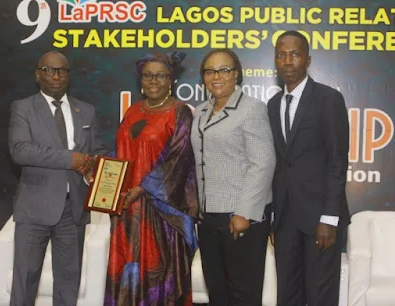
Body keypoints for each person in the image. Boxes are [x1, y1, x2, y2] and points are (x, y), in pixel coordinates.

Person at [8, 51, 107, 306]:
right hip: (34, 209)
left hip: (73, 211)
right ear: (38, 73)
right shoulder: (23, 107)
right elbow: (20, 150)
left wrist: (94, 172)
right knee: (25, 282)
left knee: (68, 284)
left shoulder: (86, 110)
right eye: (49, 70)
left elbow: (98, 153)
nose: (56, 76)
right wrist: (71, 159)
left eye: (62, 71)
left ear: (68, 76)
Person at [104, 52, 198, 306]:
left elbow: (180, 160)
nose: (154, 80)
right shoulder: (133, 112)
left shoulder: (180, 113)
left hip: (163, 213)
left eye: (161, 75)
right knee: (129, 274)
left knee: (160, 278)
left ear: (171, 80)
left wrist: (142, 188)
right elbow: (121, 152)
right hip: (128, 210)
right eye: (148, 75)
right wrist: (102, 173)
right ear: (140, 80)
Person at [267, 31, 350, 306]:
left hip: (321, 220)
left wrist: (329, 218)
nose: (287, 60)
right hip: (285, 219)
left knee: (319, 297)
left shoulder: (328, 99)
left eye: (294, 54)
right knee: (287, 296)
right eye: (281, 55)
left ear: (308, 60)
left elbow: (338, 162)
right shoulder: (273, 104)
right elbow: (281, 164)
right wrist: (274, 216)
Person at [191, 48, 276, 306]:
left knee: (243, 294)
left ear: (236, 74)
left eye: (224, 70)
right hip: (208, 217)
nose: (216, 76)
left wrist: (244, 213)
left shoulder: (251, 109)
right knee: (217, 290)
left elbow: (263, 162)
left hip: (240, 216)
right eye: (210, 71)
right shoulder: (200, 111)